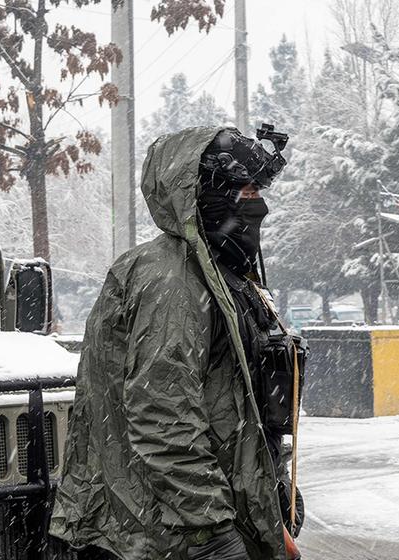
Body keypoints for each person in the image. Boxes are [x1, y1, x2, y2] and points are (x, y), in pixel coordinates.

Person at [51, 126, 291, 560]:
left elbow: (240, 403)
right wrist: (211, 533)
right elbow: (164, 419)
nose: (260, 206)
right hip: (161, 538)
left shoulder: (223, 275)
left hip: (205, 520)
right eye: (246, 190)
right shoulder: (171, 279)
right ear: (201, 193)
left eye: (259, 189)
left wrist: (271, 487)